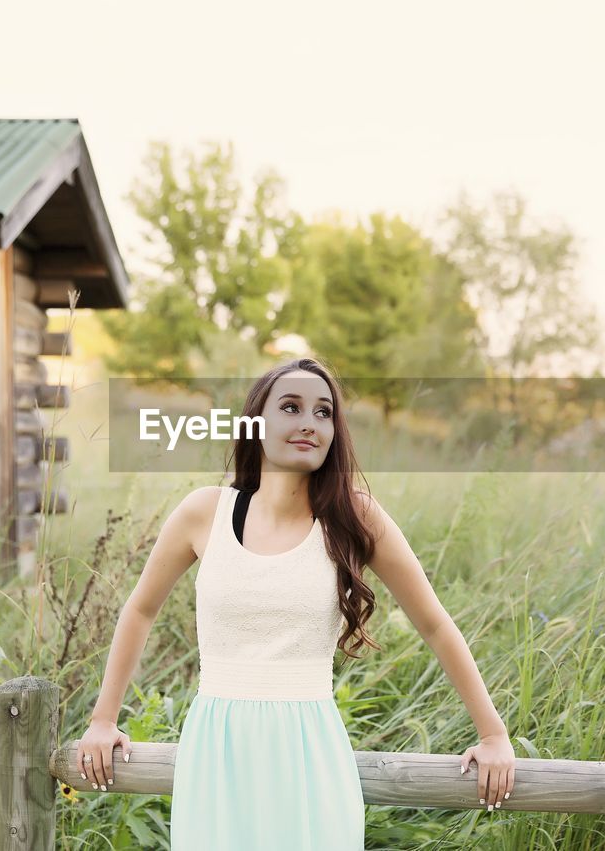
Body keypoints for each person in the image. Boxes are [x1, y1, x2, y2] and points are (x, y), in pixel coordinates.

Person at [76, 358, 517, 849]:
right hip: (216, 751)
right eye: (291, 407)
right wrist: (103, 719)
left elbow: (435, 624)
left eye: (324, 412)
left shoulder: (354, 517)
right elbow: (140, 609)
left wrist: (493, 734)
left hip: (309, 751)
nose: (310, 422)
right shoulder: (204, 512)